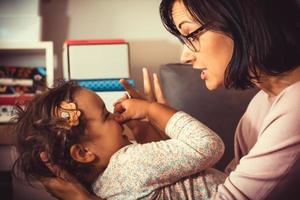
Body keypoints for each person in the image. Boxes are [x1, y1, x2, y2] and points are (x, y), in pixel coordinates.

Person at [40, 0, 300, 199]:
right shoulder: (262, 103)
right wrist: (156, 139)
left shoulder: (295, 108)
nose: (186, 57)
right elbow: (227, 181)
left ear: (241, 22)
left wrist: (156, 112)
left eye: (192, 35)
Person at [13, 80, 226, 200]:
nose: (116, 117)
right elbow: (208, 146)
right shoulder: (128, 164)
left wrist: (143, 130)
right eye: (106, 116)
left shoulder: (103, 186)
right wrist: (152, 110)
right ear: (83, 153)